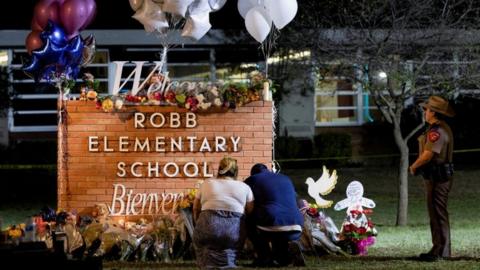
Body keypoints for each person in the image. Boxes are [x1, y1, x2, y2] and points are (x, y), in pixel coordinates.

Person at [409, 95, 455, 262]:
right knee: (436, 213)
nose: (424, 111)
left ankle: (441, 251)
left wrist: (414, 166)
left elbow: (428, 154)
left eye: (427, 109)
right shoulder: (439, 128)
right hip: (436, 176)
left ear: (433, 112)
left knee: (437, 213)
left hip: (438, 177)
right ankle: (439, 249)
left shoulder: (437, 131)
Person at [192, 157, 254, 269]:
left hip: (207, 228)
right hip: (233, 233)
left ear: (219, 169)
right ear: (236, 171)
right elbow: (250, 211)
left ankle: (206, 264)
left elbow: (195, 208)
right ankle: (228, 264)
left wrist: (198, 224)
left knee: (204, 244)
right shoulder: (245, 187)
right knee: (230, 246)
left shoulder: (206, 183)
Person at [244, 163, 305, 267]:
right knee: (277, 226)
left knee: (247, 219)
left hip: (270, 225)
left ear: (253, 173)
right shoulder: (285, 178)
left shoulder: (252, 180)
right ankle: (285, 257)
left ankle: (264, 257)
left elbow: (246, 203)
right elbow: (299, 201)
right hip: (296, 225)